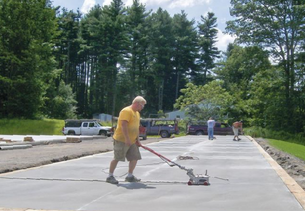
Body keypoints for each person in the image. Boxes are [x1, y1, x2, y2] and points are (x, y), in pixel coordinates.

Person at [106, 96, 147, 184]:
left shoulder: (137, 113)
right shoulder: (126, 111)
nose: (142, 108)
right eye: (142, 106)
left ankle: (130, 176)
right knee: (117, 157)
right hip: (121, 140)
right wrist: (127, 139)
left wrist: (138, 140)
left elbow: (136, 128)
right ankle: (110, 176)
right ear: (137, 103)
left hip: (132, 141)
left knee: (135, 157)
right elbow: (123, 126)